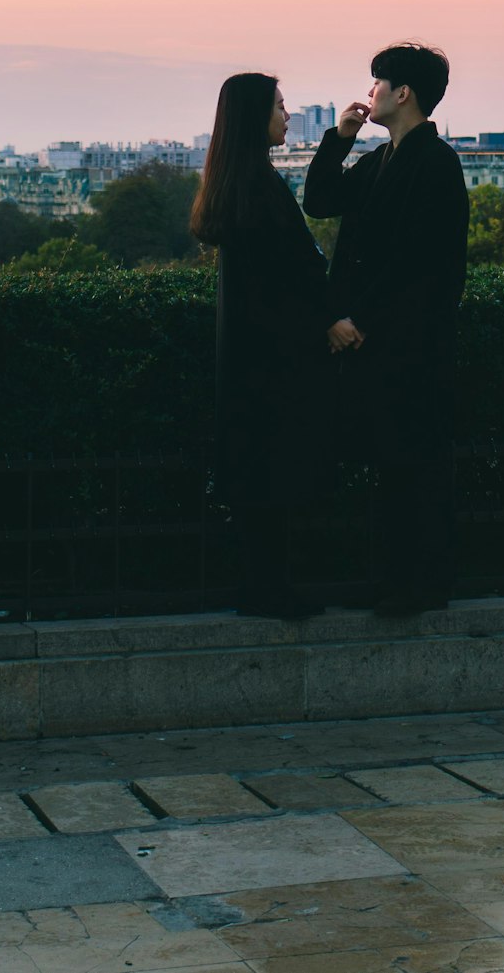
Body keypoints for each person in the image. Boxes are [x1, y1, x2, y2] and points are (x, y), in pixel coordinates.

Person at [303, 43, 469, 616]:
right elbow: (320, 200)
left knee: (412, 464)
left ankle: (420, 584)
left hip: (409, 344)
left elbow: (421, 263)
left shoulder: (435, 163)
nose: (368, 92)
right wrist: (341, 138)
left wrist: (358, 320)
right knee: (394, 463)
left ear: (402, 94)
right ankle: (400, 580)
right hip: (387, 341)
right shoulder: (385, 159)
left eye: (377, 84)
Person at [191, 73, 329, 619]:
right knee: (274, 472)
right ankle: (271, 589)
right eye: (279, 105)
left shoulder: (238, 181)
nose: (287, 114)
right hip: (275, 353)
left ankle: (263, 585)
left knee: (258, 474)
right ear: (257, 117)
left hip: (252, 349)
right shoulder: (260, 184)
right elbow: (296, 266)